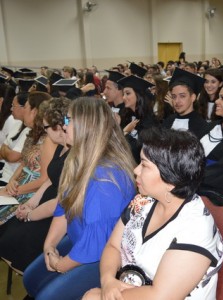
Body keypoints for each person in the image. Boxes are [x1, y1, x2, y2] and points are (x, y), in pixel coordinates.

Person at [83, 127, 223, 300]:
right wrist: (107, 281)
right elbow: (113, 246)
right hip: (131, 287)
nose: (136, 170)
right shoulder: (143, 201)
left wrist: (104, 295)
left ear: (171, 180)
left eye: (144, 165)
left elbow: (160, 296)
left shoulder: (196, 228)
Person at [23, 98, 136, 300]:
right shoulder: (78, 158)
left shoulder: (106, 177)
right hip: (82, 240)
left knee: (47, 296)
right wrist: (49, 246)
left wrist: (61, 264)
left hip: (104, 256)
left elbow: (97, 243)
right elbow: (63, 208)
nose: (64, 126)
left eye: (69, 120)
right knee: (31, 280)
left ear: (86, 126)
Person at [0, 97, 71, 273]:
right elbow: (49, 179)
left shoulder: (72, 153)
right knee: (8, 238)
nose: (45, 131)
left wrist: (31, 213)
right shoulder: (63, 146)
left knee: (12, 239)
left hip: (55, 212)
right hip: (42, 202)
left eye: (47, 127)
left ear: (59, 128)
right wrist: (31, 203)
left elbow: (61, 200)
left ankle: (31, 280)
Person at [0, 91, 55, 225]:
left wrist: (12, 190)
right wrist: (12, 181)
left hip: (31, 194)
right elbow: (23, 163)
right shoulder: (31, 134)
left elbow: (44, 179)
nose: (23, 111)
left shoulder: (48, 140)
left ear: (35, 111)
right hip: (18, 187)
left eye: (25, 107)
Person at [117, 75, 158, 163]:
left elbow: (140, 151)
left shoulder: (149, 122)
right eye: (123, 94)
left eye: (128, 93)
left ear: (138, 95)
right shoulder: (125, 116)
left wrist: (125, 133)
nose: (123, 97)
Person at [162, 67, 208, 139]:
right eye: (174, 97)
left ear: (193, 97)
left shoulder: (202, 126)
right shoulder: (168, 122)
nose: (177, 101)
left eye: (182, 96)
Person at [0, 92, 30, 186]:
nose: (11, 109)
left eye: (14, 106)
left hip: (11, 179)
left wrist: (6, 149)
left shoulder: (29, 131)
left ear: (23, 108)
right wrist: (6, 150)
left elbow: (12, 157)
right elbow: (3, 150)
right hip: (4, 172)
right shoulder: (17, 123)